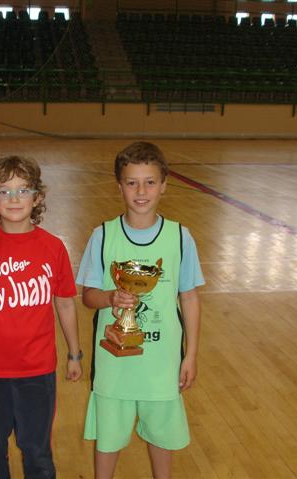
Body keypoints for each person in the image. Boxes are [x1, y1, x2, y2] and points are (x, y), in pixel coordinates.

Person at [76, 142, 204, 479]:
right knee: (108, 439)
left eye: (149, 181)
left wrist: (190, 355)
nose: (141, 191)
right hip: (114, 364)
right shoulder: (102, 235)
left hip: (161, 364)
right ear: (120, 187)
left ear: (164, 184)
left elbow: (189, 298)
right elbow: (87, 296)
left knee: (162, 436)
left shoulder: (180, 237)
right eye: (132, 182)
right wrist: (110, 298)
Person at [0, 155, 82, 479]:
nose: (14, 199)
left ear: (37, 197)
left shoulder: (53, 248)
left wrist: (74, 354)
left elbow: (65, 303)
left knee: (37, 452)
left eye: (23, 190)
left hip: (37, 371)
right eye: (4, 191)